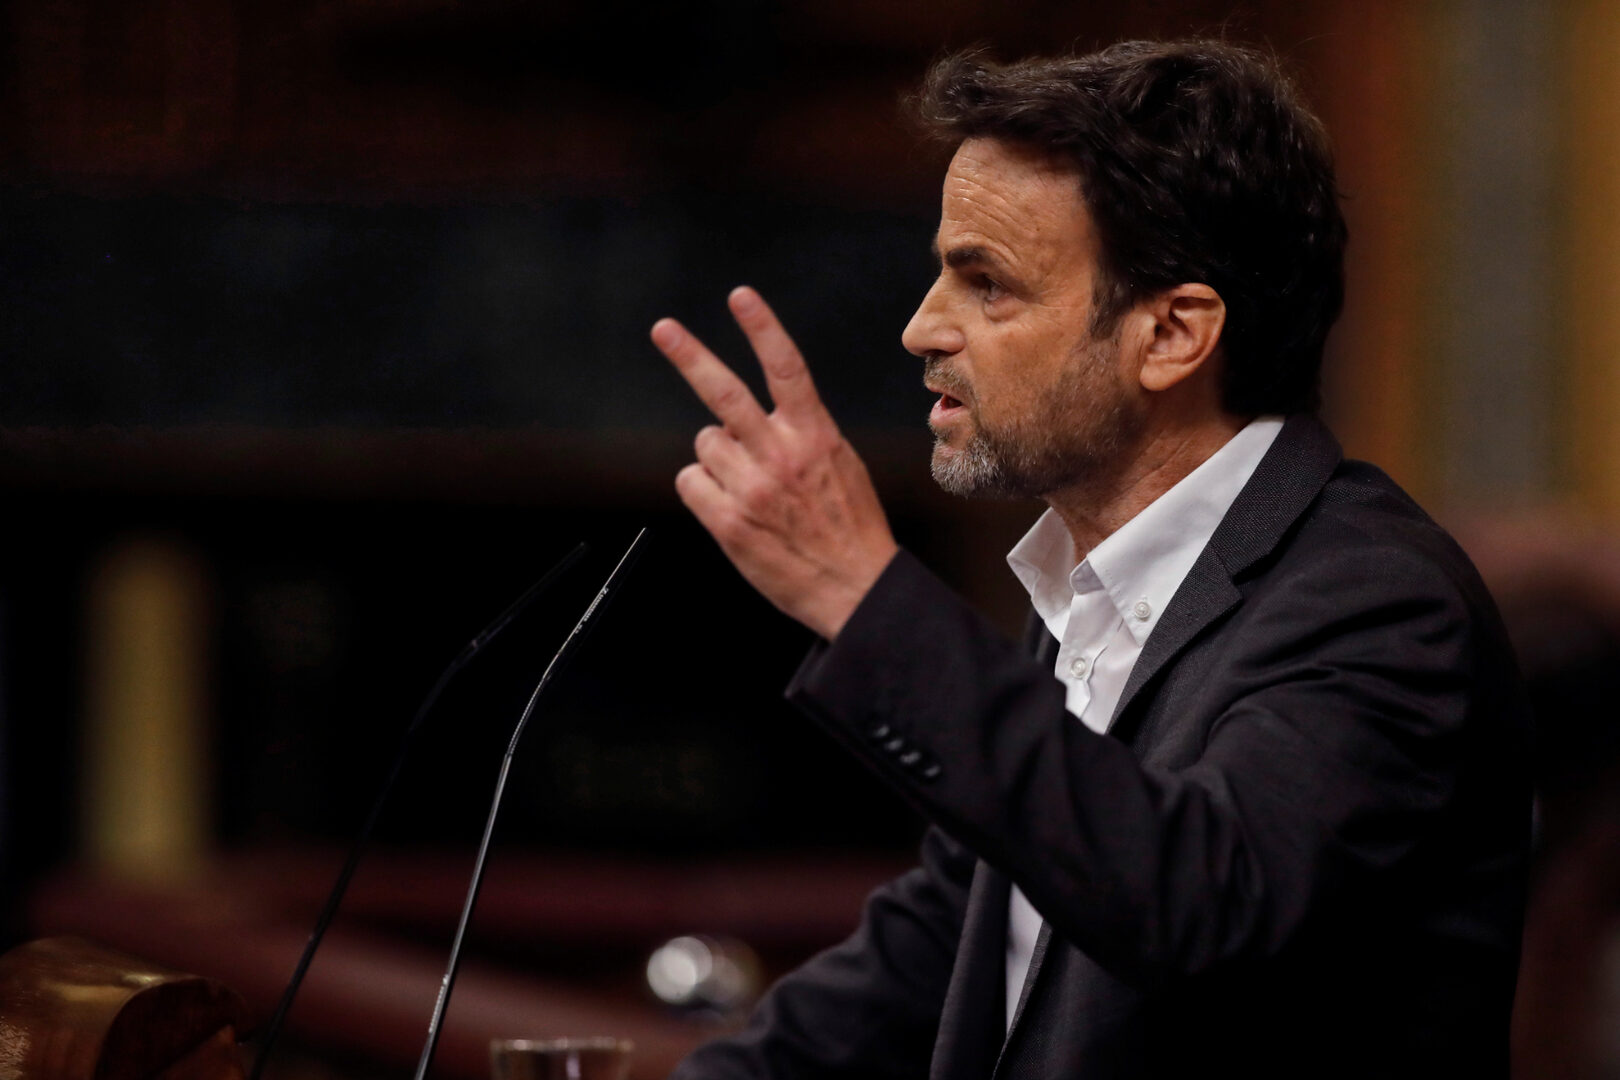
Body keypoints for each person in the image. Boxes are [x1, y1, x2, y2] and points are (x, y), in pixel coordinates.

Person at [649, 39, 1531, 1080]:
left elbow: (1201, 902)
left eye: (986, 284)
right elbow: (939, 948)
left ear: (1171, 334)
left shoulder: (1375, 599)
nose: (921, 328)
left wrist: (865, 593)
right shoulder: (1100, 585)